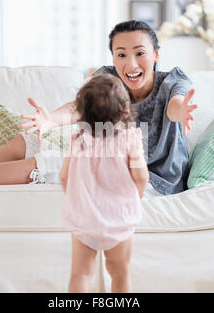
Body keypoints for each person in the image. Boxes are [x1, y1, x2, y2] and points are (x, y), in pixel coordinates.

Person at [0, 20, 197, 195]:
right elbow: (78, 107)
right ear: (113, 57)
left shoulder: (172, 82)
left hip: (150, 179)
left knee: (50, 159)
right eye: (121, 54)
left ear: (156, 54)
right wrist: (51, 120)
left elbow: (175, 104)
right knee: (29, 140)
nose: (131, 63)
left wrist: (181, 112)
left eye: (140, 52)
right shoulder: (107, 78)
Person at [60, 73, 148, 293]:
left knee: (80, 274)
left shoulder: (78, 139)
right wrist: (134, 198)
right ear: (125, 110)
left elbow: (64, 177)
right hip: (118, 219)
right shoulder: (129, 139)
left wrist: (78, 202)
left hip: (85, 220)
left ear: (82, 114)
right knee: (120, 274)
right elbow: (141, 177)